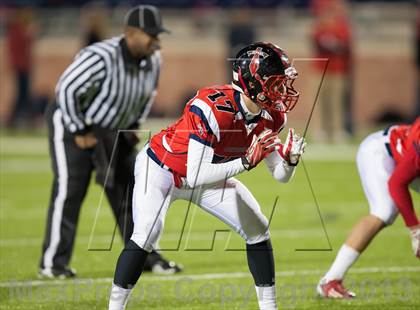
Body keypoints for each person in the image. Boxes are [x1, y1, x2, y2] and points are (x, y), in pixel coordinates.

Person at [108, 42, 306, 310]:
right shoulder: (213, 108)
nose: (283, 91)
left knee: (257, 227)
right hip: (161, 168)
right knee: (147, 233)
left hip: (206, 172)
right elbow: (197, 173)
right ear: (253, 82)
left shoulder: (271, 115)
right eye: (276, 83)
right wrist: (246, 161)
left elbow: (280, 175)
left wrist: (291, 161)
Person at [39, 5, 182, 279]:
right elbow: (66, 89)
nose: (156, 40)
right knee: (70, 190)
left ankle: (145, 256)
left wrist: (134, 125)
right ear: (129, 33)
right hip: (74, 122)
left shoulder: (154, 60)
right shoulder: (101, 56)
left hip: (115, 130)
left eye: (157, 34)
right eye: (150, 34)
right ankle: (53, 263)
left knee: (132, 192)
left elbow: (147, 95)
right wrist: (78, 129)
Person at [317, 117, 420, 299]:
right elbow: (397, 183)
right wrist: (415, 230)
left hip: (404, 154)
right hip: (380, 152)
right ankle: (331, 280)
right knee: (384, 211)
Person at [311, 0, 353, 141]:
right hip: (320, 69)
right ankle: (319, 129)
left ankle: (337, 130)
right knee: (320, 102)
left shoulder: (342, 27)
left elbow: (344, 45)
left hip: (338, 69)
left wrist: (334, 44)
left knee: (337, 102)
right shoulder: (320, 26)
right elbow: (316, 41)